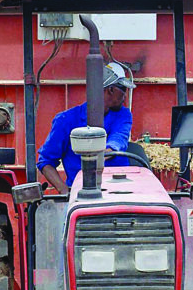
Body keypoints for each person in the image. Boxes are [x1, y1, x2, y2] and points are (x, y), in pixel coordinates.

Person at [37, 62, 135, 193]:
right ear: (110, 90)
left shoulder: (123, 115)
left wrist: (97, 156)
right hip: (82, 193)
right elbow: (46, 161)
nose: (125, 95)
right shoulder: (66, 120)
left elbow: (118, 140)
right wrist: (64, 191)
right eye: (123, 89)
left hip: (119, 190)